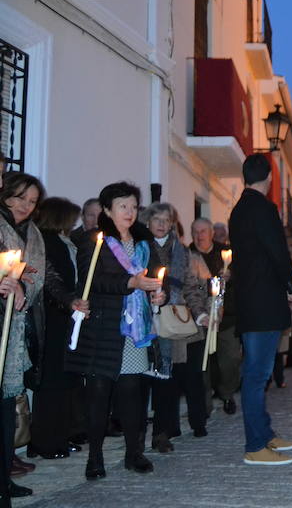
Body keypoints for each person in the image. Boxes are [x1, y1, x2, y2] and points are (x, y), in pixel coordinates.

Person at [67, 181, 165, 480]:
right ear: (107, 210)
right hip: (103, 330)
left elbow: (158, 277)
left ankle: (133, 453)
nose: (130, 212)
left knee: (132, 394)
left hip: (134, 331)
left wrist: (158, 295)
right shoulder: (93, 241)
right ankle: (94, 459)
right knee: (98, 396)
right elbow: (91, 282)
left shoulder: (143, 241)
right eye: (123, 206)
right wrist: (129, 284)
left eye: (134, 206)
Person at [228, 154, 292, 466]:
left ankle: (265, 433)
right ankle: (255, 445)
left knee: (259, 373)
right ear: (268, 178)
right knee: (256, 375)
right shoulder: (263, 208)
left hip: (251, 302)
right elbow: (276, 249)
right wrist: (291, 282)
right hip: (263, 303)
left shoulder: (239, 210)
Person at [141, 203, 208, 453]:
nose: (160, 224)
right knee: (144, 379)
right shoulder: (140, 248)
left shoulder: (181, 252)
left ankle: (162, 432)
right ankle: (140, 436)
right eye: (156, 219)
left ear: (172, 224)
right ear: (147, 222)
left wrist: (200, 313)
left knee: (166, 378)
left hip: (173, 321)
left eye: (166, 220)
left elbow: (190, 286)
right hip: (144, 320)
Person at [0, 173, 49, 497]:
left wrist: (23, 287)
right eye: (19, 198)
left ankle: (3, 478)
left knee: (6, 406)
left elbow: (37, 274)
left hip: (14, 329)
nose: (25, 207)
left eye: (31, 202)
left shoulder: (32, 235)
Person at [30, 198, 86, 463]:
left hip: (67, 317)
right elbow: (52, 280)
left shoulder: (65, 242)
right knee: (52, 382)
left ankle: (61, 436)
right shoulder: (48, 242)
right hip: (54, 319)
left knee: (65, 381)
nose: (74, 223)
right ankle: (45, 440)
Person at [189, 217, 239, 415]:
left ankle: (227, 393)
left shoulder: (226, 253)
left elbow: (240, 275)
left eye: (203, 231)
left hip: (226, 319)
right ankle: (205, 404)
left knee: (231, 359)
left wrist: (231, 276)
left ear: (211, 233)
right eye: (195, 231)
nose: (199, 235)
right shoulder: (189, 254)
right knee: (203, 364)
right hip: (200, 318)